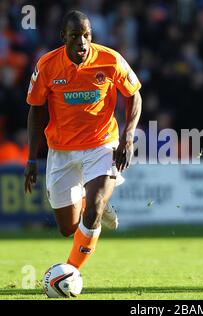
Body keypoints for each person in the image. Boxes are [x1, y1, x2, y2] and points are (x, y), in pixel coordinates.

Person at [24, 10, 142, 270]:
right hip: (61, 151)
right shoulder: (47, 65)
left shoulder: (111, 60)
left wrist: (128, 136)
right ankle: (94, 203)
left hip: (101, 145)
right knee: (68, 228)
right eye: (75, 36)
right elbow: (36, 109)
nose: (82, 42)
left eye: (86, 35)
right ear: (62, 37)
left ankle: (70, 272)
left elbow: (134, 95)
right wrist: (32, 157)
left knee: (94, 209)